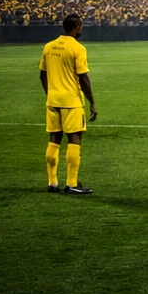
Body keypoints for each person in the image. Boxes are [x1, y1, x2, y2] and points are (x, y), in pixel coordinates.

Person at [40, 13, 96, 195]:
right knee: (74, 140)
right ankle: (71, 183)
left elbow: (42, 75)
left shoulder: (48, 46)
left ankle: (52, 182)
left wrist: (51, 94)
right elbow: (83, 77)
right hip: (71, 102)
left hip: (53, 101)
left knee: (54, 140)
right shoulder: (77, 48)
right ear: (77, 27)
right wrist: (92, 102)